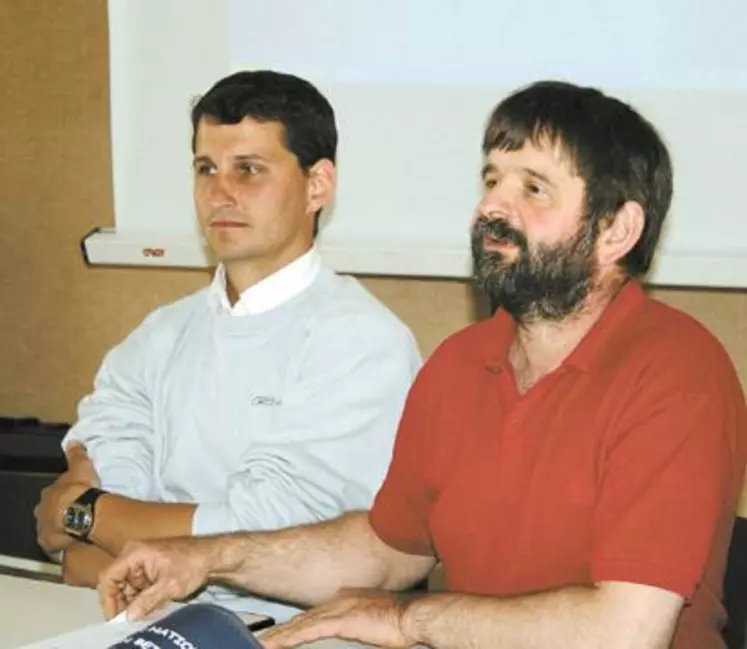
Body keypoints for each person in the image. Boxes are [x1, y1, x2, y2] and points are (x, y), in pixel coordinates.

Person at [97, 81, 747, 649]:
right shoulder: (460, 362)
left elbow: (624, 632)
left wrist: (409, 620)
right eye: (491, 180)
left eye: (533, 188)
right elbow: (383, 550)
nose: (493, 206)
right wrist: (205, 558)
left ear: (615, 231)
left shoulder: (675, 371)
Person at [33, 70, 421, 622]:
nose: (220, 192)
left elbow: (268, 531)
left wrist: (89, 516)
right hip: (137, 620)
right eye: (205, 169)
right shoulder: (158, 335)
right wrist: (96, 528)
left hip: (291, 634)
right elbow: (80, 526)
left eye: (250, 170)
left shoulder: (361, 341)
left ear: (318, 185)